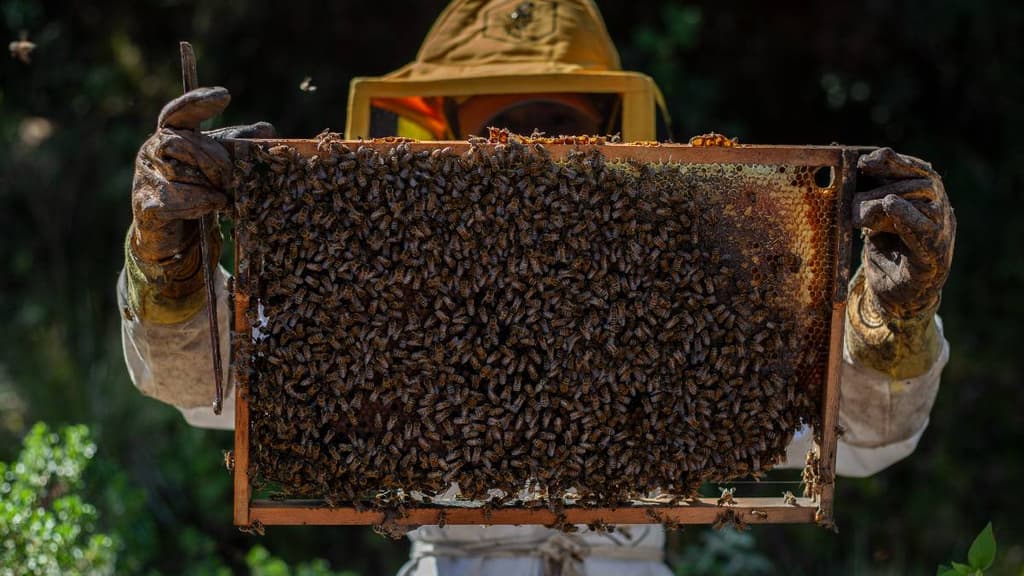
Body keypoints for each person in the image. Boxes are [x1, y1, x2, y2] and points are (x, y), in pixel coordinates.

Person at [118, 1, 955, 574]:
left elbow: (862, 441)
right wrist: (170, 271)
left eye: (562, 119)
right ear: (444, 132)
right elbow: (205, 387)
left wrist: (893, 319)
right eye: (503, 125)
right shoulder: (383, 279)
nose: (533, 146)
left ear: (611, 132)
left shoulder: (686, 277)